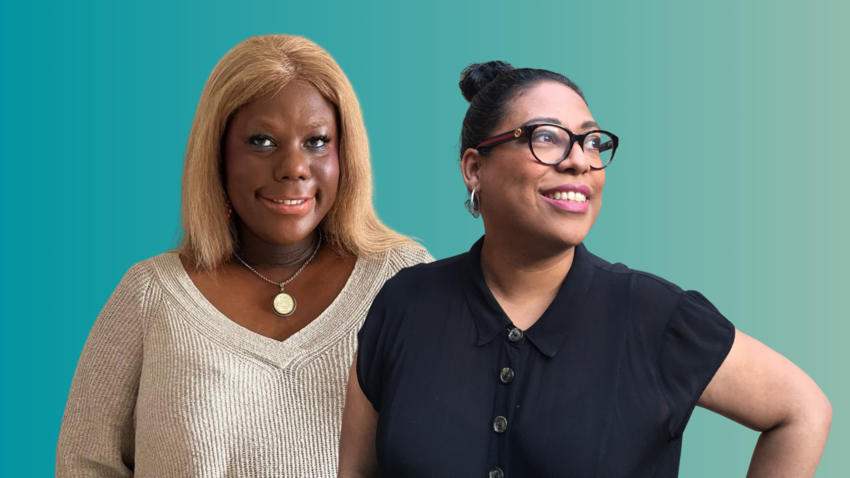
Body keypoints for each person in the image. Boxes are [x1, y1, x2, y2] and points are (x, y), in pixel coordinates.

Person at [338, 61, 832, 477]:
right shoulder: (403, 305)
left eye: (592, 142)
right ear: (474, 169)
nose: (580, 161)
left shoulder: (655, 315)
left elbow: (802, 411)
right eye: (546, 138)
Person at [56, 35, 431, 477]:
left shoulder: (407, 282)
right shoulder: (150, 296)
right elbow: (84, 464)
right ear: (217, 154)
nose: (294, 167)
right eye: (262, 141)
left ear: (344, 153)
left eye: (316, 141)